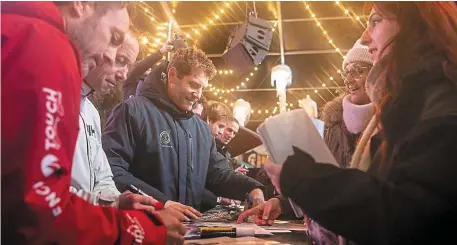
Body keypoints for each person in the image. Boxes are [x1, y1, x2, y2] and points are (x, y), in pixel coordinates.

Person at [239, 2, 457, 245]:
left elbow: (408, 213)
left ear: (416, 24)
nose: (364, 38)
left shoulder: (437, 100)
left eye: (375, 21)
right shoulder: (408, 102)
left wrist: (303, 180)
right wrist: (286, 199)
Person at [2, 2, 185, 244]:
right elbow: (38, 212)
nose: (107, 56)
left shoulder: (24, 34)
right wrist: (142, 229)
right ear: (81, 4)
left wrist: (112, 201)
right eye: (114, 38)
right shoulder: (42, 43)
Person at [102, 48, 265, 218]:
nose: (198, 95)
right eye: (194, 85)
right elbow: (112, 169)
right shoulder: (132, 111)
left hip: (186, 232)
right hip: (141, 228)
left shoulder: (201, 130)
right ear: (172, 75)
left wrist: (253, 189)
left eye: (202, 88)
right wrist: (161, 203)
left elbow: (219, 174)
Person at [304, 40, 374, 245]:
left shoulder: (392, 119)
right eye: (347, 72)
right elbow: (320, 180)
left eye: (358, 71)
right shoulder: (331, 124)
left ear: (377, 74)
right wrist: (281, 202)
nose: (349, 80)